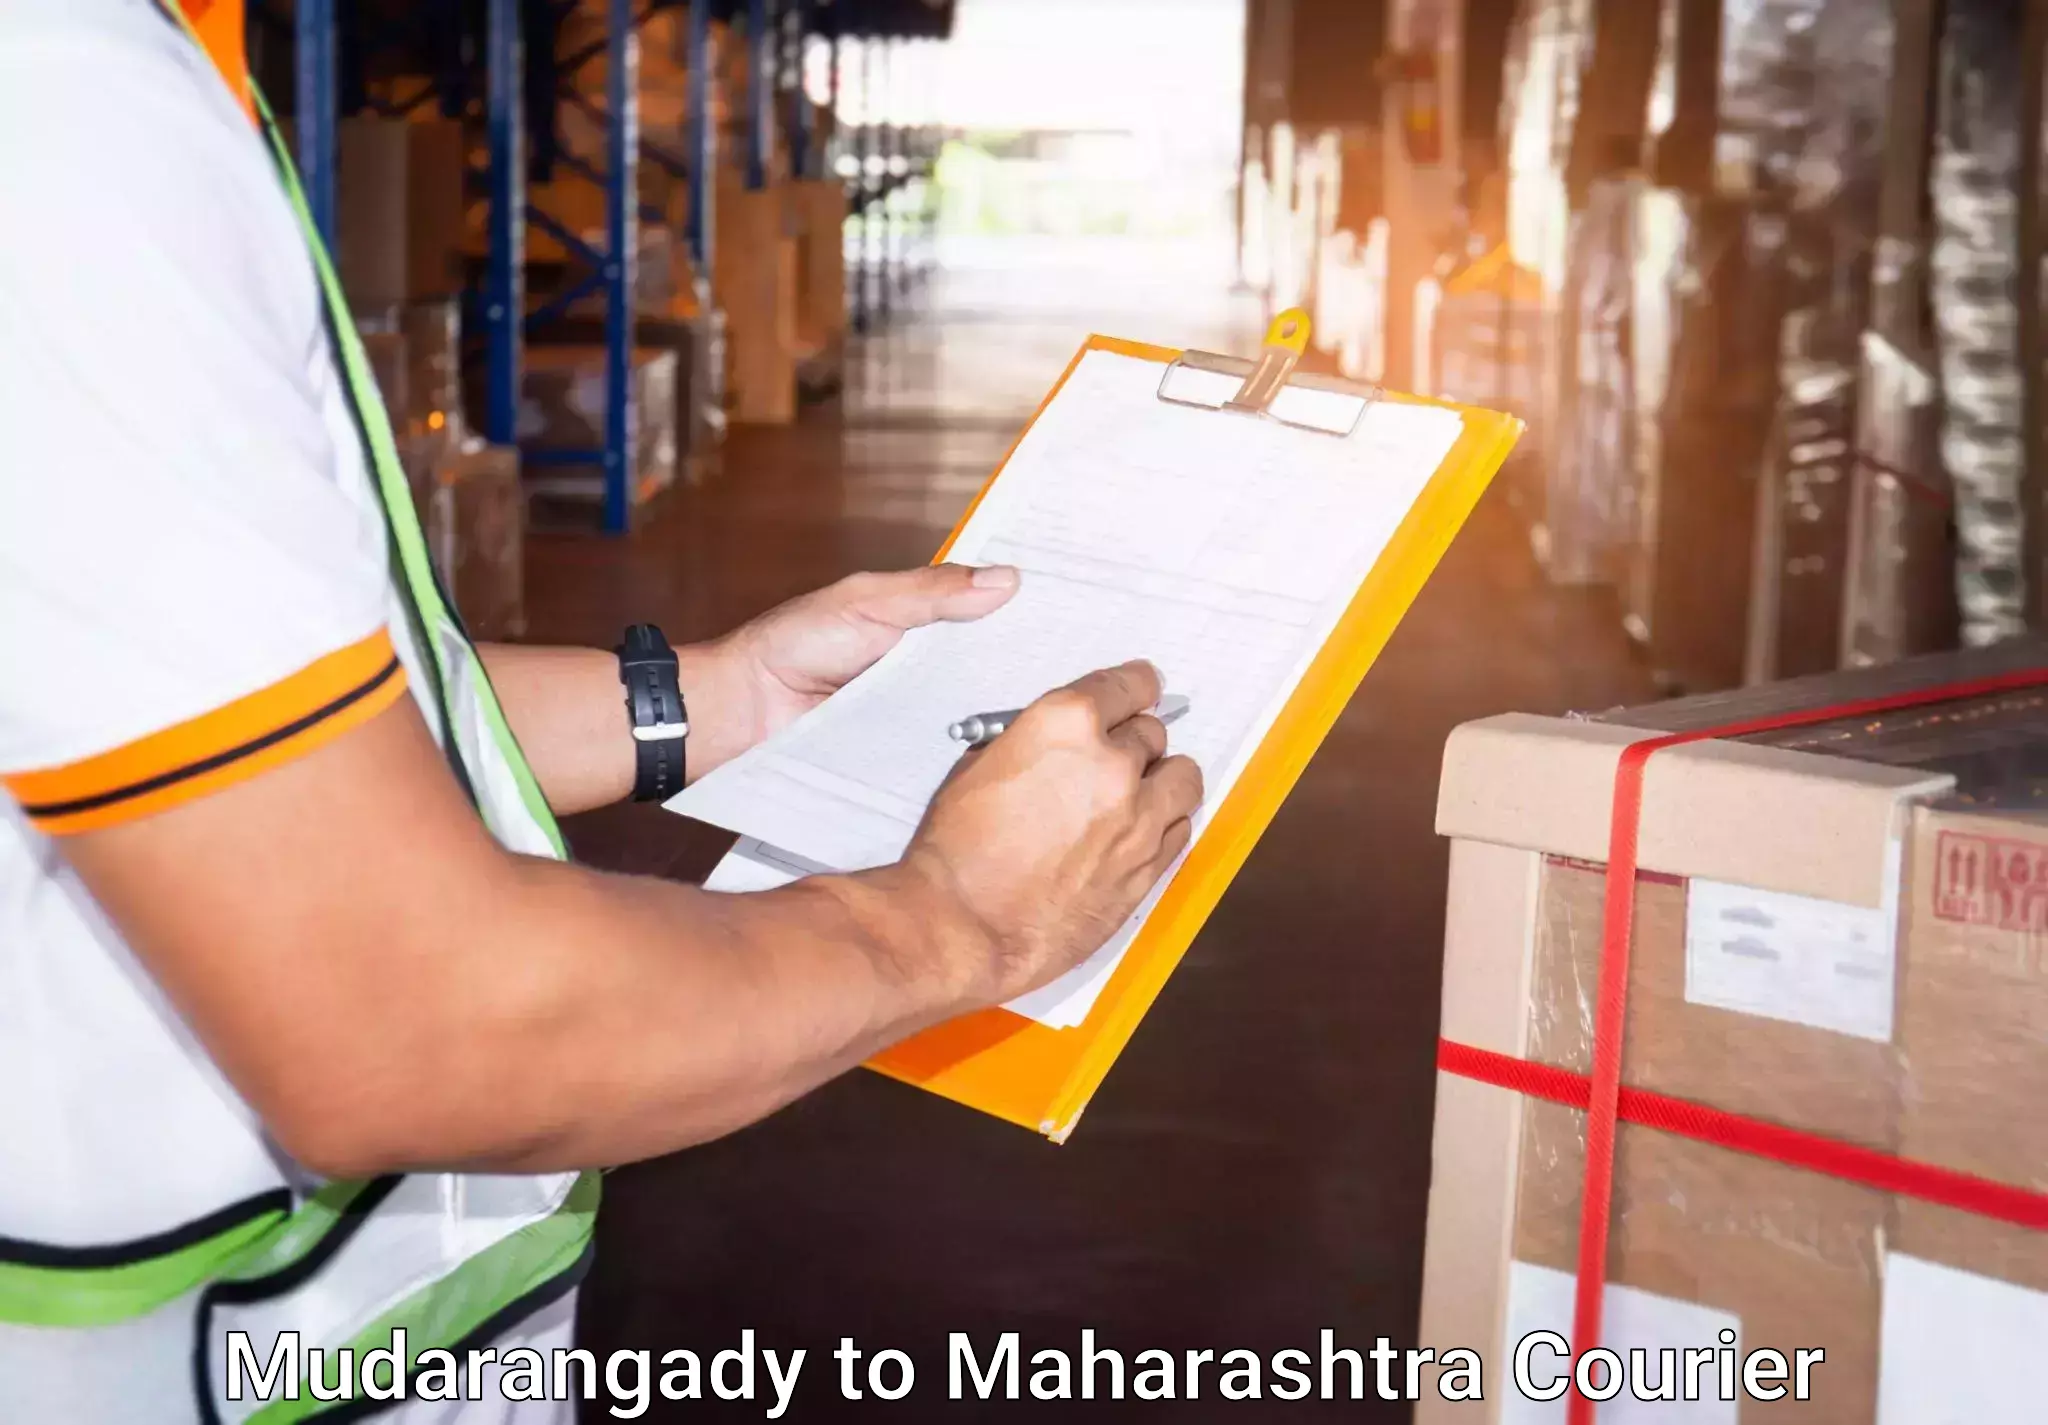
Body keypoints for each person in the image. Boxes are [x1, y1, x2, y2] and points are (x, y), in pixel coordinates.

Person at [0, 1, 1203, 1419]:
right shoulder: (62, 112)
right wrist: (955, 920)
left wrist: (727, 697)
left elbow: (206, 718)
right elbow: (411, 1024)